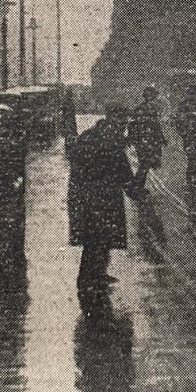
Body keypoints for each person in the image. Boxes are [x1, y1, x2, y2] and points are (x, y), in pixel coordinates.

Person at [67, 104, 135, 303]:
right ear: (113, 121)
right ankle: (88, 280)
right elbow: (122, 171)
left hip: (92, 195)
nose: (123, 129)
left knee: (99, 238)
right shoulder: (108, 141)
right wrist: (135, 191)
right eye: (121, 124)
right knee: (97, 239)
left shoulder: (93, 136)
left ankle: (96, 275)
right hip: (99, 197)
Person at [126, 86, 167, 194]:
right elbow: (134, 125)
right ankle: (136, 186)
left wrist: (161, 138)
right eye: (152, 95)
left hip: (146, 141)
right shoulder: (147, 109)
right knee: (145, 164)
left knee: (145, 164)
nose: (153, 97)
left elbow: (155, 125)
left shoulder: (143, 108)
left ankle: (138, 186)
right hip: (145, 141)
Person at [174, 84, 196, 185]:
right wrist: (183, 132)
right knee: (192, 155)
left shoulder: (195, 104)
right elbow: (178, 120)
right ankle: (190, 176)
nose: (192, 96)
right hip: (190, 133)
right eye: (191, 94)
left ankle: (192, 174)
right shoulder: (184, 105)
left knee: (195, 155)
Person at [60, 86, 78, 158]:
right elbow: (64, 111)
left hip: (70, 120)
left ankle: (69, 150)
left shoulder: (68, 101)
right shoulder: (67, 101)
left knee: (69, 135)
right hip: (69, 120)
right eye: (70, 93)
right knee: (69, 135)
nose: (71, 94)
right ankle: (69, 151)